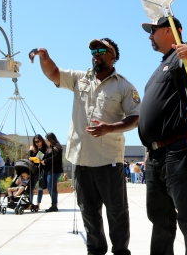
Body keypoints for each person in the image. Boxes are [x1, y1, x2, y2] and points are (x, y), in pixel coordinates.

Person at [29, 37, 140, 255]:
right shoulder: (80, 79)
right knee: (89, 212)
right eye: (93, 50)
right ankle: (95, 251)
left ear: (113, 56)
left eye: (102, 50)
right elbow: (54, 73)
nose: (96, 53)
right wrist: (45, 58)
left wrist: (110, 127)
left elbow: (136, 116)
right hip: (82, 161)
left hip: (109, 162)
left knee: (117, 213)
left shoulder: (124, 86)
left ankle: (120, 251)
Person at [138, 16, 187, 255]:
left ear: (172, 30)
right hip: (156, 155)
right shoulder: (161, 64)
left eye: (153, 30)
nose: (150, 35)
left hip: (179, 151)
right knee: (159, 217)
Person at [41, 132, 64, 213]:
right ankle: (54, 205)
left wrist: (46, 161)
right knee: (52, 187)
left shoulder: (57, 147)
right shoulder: (50, 148)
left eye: (47, 139)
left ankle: (54, 205)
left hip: (55, 170)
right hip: (50, 170)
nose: (46, 141)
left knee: (50, 186)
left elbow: (56, 157)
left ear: (50, 139)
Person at [28, 134, 48, 210]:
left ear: (41, 141)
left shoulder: (44, 149)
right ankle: (30, 203)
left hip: (41, 170)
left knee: (40, 188)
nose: (37, 143)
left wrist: (37, 158)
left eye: (38, 141)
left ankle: (38, 204)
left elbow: (38, 159)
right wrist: (30, 150)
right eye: (35, 142)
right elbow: (29, 158)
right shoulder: (33, 149)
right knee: (31, 188)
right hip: (33, 170)